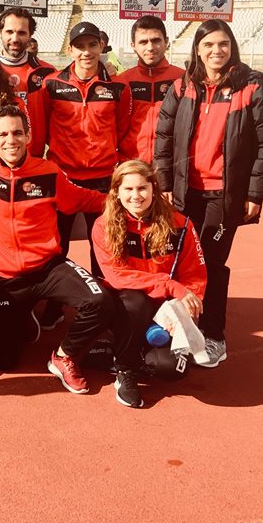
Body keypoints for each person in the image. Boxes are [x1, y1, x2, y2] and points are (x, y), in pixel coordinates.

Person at [0, 105, 114, 394]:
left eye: (16, 133)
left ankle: (63, 356)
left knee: (101, 302)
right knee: (5, 362)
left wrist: (124, 200)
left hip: (47, 269)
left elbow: (85, 199)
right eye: (2, 134)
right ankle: (23, 317)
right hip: (4, 279)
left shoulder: (48, 172)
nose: (10, 140)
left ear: (28, 136)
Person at [154, 19, 263, 367]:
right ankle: (183, 329)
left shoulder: (253, 87)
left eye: (223, 44)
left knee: (210, 264)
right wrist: (164, 185)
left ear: (232, 47)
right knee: (176, 262)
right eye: (209, 44)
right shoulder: (183, 84)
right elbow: (163, 137)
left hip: (223, 196)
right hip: (183, 193)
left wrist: (255, 194)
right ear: (197, 49)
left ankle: (213, 336)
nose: (216, 51)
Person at [92, 160, 206, 408]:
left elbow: (195, 274)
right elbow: (116, 275)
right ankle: (125, 369)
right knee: (136, 300)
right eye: (128, 189)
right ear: (116, 192)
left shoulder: (182, 225)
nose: (136, 196)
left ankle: (121, 350)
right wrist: (168, 284)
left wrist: (187, 306)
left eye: (142, 188)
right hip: (128, 307)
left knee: (170, 370)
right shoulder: (103, 226)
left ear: (154, 188)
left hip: (165, 312)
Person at [41, 21, 132, 278]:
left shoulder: (118, 86)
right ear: (70, 50)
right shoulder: (51, 84)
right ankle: (57, 302)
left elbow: (122, 129)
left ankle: (104, 300)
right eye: (79, 46)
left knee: (103, 245)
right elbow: (43, 127)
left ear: (101, 46)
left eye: (92, 45)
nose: (86, 52)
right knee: (57, 245)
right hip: (63, 177)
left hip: (102, 179)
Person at [117, 15, 184, 164]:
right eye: (143, 42)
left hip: (170, 165)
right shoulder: (123, 80)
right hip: (131, 164)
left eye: (155, 40)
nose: (150, 48)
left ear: (166, 42)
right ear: (133, 45)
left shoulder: (183, 79)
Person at [0, 7, 53, 154]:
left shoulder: (47, 72)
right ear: (0, 32)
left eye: (21, 33)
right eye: (9, 32)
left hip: (34, 158)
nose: (15, 39)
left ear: (30, 35)